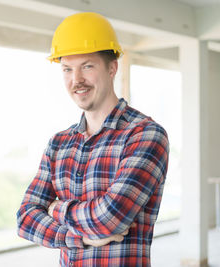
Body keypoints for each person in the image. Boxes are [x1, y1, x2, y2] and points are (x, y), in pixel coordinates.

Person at [16, 12, 169, 267]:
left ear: (112, 68)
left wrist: (55, 209)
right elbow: (25, 218)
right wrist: (80, 238)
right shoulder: (58, 144)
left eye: (87, 66)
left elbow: (109, 218)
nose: (77, 80)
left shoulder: (145, 135)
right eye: (67, 69)